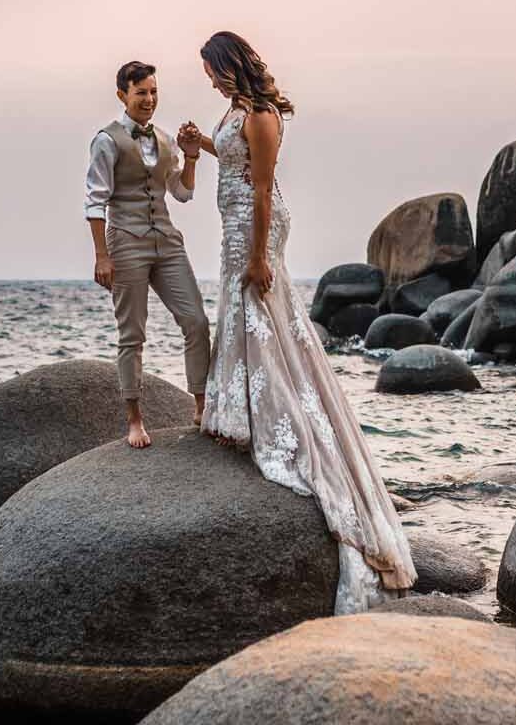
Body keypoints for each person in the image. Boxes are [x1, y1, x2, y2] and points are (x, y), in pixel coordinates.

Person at [176, 30, 416, 613]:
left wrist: (260, 256)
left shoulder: (260, 115)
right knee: (244, 310)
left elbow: (261, 190)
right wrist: (203, 144)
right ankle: (240, 409)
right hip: (238, 221)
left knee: (259, 305)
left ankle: (269, 419)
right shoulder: (237, 112)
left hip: (256, 225)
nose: (206, 77)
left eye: (210, 68)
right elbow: (235, 162)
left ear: (228, 65)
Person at [85, 60, 212, 448]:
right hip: (125, 241)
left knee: (196, 321)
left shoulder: (164, 138)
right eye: (141, 92)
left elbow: (183, 192)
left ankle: (201, 407)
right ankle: (135, 421)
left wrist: (190, 157)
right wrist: (102, 256)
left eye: (153, 92)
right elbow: (95, 202)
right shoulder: (106, 140)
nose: (149, 99)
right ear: (123, 95)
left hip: (167, 241)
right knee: (132, 334)